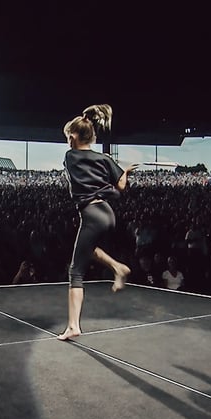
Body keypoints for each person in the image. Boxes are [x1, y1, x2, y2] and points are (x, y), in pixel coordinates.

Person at [57, 104, 138, 341]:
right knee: (89, 250)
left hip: (91, 214)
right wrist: (125, 172)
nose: (67, 140)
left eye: (68, 136)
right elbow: (120, 186)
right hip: (107, 212)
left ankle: (73, 326)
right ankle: (118, 267)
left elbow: (79, 176)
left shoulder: (70, 156)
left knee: (75, 271)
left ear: (73, 137)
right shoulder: (104, 158)